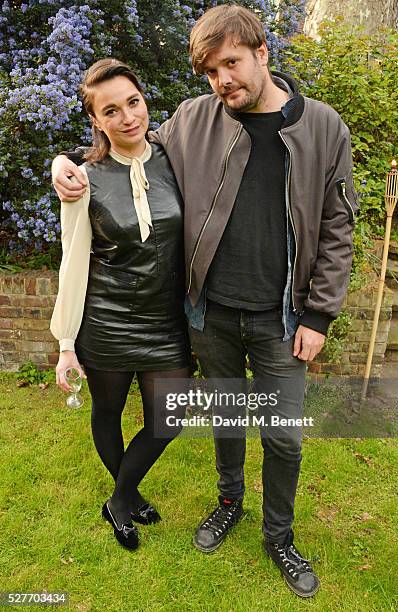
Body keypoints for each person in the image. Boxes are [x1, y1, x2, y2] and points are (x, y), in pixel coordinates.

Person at [52, 5, 358, 597]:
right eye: (212, 72)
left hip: (283, 318)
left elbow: (339, 227)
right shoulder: (194, 119)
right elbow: (121, 147)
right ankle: (228, 503)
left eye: (232, 64)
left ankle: (280, 536)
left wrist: (320, 313)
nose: (224, 81)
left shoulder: (323, 127)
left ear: (262, 53)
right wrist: (62, 165)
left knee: (283, 434)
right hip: (211, 314)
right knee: (224, 420)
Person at [50, 58, 191, 552]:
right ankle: (128, 498)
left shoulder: (176, 157)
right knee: (107, 413)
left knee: (170, 418)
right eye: (112, 110)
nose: (128, 117)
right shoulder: (83, 179)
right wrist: (66, 341)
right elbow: (72, 261)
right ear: (96, 120)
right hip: (106, 321)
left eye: (133, 102)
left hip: (166, 321)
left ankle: (120, 497)